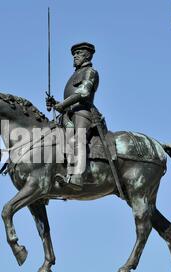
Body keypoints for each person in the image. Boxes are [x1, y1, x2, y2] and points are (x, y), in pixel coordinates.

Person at [46, 42, 100, 190]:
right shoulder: (74, 74)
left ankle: (77, 177)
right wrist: (56, 103)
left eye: (79, 53)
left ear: (87, 55)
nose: (75, 56)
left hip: (83, 112)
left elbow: (84, 92)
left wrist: (62, 105)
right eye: (74, 54)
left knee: (78, 139)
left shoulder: (90, 72)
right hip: (69, 113)